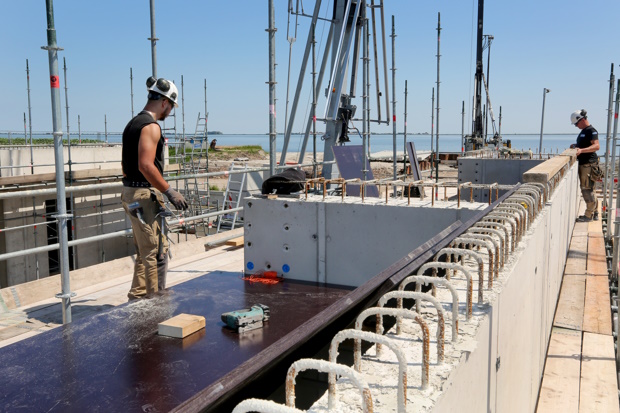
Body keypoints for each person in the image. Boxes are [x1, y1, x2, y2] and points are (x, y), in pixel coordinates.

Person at [121, 76, 188, 300]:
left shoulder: (132, 124)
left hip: (130, 193)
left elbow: (125, 166)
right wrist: (169, 191)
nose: (169, 112)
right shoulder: (151, 126)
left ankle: (138, 298)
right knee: (156, 253)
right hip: (143, 194)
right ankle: (154, 308)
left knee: (143, 251)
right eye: (170, 107)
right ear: (165, 103)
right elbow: (146, 165)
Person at [570, 109, 601, 222]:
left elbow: (596, 146)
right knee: (590, 189)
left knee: (586, 190)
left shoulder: (591, 131)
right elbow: (585, 144)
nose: (576, 126)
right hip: (585, 164)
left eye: (577, 123)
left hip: (588, 164)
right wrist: (576, 145)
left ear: (582, 119)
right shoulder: (584, 131)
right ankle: (595, 212)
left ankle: (588, 215)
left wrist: (581, 150)